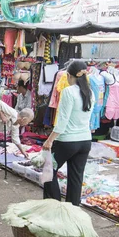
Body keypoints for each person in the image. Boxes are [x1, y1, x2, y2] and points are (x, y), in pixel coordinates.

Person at [42, 60, 94, 206]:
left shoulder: (68, 92)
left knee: (48, 170)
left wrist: (50, 140)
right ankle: (72, 211)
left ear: (70, 76)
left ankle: (55, 207)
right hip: (85, 141)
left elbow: (62, 121)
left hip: (67, 141)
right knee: (76, 178)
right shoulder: (90, 93)